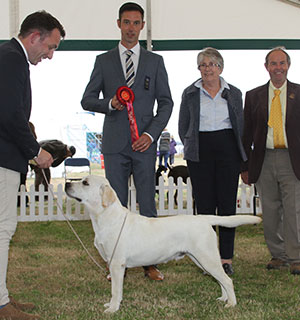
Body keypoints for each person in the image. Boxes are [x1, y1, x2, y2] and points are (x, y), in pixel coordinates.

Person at [81, 2, 173, 281]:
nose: (131, 28)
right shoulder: (103, 60)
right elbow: (87, 99)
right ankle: (115, 262)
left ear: (143, 26)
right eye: (126, 22)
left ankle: (150, 262)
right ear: (118, 23)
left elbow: (167, 103)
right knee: (113, 207)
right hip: (114, 146)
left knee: (147, 204)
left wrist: (150, 134)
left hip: (144, 145)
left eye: (136, 23)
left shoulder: (155, 62)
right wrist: (109, 103)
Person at [0, 11, 65, 320]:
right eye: (50, 47)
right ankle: (2, 306)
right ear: (34, 37)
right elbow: (10, 115)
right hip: (2, 160)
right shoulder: (12, 58)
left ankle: (2, 298)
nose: (50, 55)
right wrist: (35, 151)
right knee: (3, 230)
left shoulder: (9, 55)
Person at [178, 47, 246, 276]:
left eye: (212, 64)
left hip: (228, 149)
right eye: (203, 65)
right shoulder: (189, 93)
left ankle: (226, 259)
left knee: (227, 207)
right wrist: (192, 144)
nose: (208, 69)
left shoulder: (234, 93)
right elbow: (183, 126)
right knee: (205, 207)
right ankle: (208, 259)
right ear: (199, 69)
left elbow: (240, 125)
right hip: (200, 151)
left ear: (221, 68)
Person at [241, 47, 300, 275]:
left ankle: (296, 256)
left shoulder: (298, 92)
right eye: (273, 64)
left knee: (294, 210)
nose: (278, 68)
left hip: (291, 160)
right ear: (266, 67)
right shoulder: (253, 96)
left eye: (282, 63)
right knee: (271, 210)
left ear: (288, 66)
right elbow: (246, 134)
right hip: (263, 159)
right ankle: (278, 255)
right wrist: (245, 166)